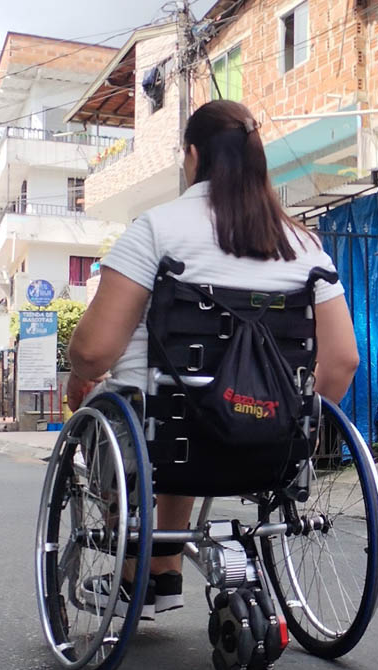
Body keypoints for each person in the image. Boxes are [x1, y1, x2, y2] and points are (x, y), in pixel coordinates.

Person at [65, 100, 359, 619]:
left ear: (193, 156)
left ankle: (139, 569)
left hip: (165, 433)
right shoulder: (304, 246)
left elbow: (93, 350)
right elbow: (342, 362)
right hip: (265, 438)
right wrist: (291, 424)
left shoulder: (159, 228)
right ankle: (167, 567)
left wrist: (79, 376)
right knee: (184, 412)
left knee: (143, 410)